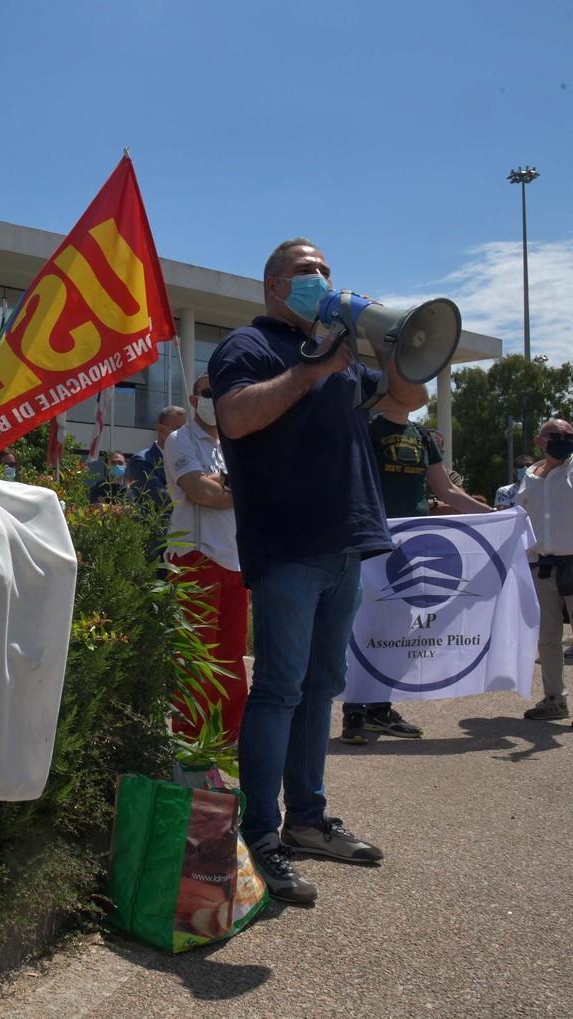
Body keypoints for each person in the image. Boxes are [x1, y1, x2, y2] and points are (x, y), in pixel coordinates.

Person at [208, 237, 428, 905]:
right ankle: (261, 832)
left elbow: (407, 395)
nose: (322, 279)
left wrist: (389, 342)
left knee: (321, 684)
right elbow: (237, 418)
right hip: (288, 545)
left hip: (343, 545)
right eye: (307, 271)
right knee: (277, 688)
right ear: (275, 285)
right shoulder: (247, 346)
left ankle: (307, 819)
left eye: (326, 270)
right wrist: (310, 369)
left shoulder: (341, 354)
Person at [340, 408, 492, 744]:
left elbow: (447, 490)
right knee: (361, 626)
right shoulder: (365, 429)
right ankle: (353, 711)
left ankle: (379, 709)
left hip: (412, 546)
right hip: (370, 543)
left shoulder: (422, 436)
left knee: (398, 630)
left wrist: (498, 517)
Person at [165, 375, 247, 740]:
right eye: (209, 392)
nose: (215, 399)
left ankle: (229, 739)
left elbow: (231, 489)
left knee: (231, 659)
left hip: (235, 559)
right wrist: (239, 487)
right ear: (194, 398)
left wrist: (223, 486)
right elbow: (198, 491)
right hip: (195, 557)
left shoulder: (236, 443)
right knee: (196, 659)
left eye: (222, 392)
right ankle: (190, 741)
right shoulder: (179, 439)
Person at [515, 418, 573, 722]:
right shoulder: (529, 477)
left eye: (569, 434)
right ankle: (554, 699)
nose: (563, 439)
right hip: (541, 566)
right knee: (548, 638)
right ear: (540, 441)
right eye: (556, 435)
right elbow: (517, 518)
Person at [125, 405, 188, 509]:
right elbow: (160, 501)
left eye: (186, 430)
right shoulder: (142, 461)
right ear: (160, 429)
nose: (183, 435)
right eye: (177, 429)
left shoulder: (189, 459)